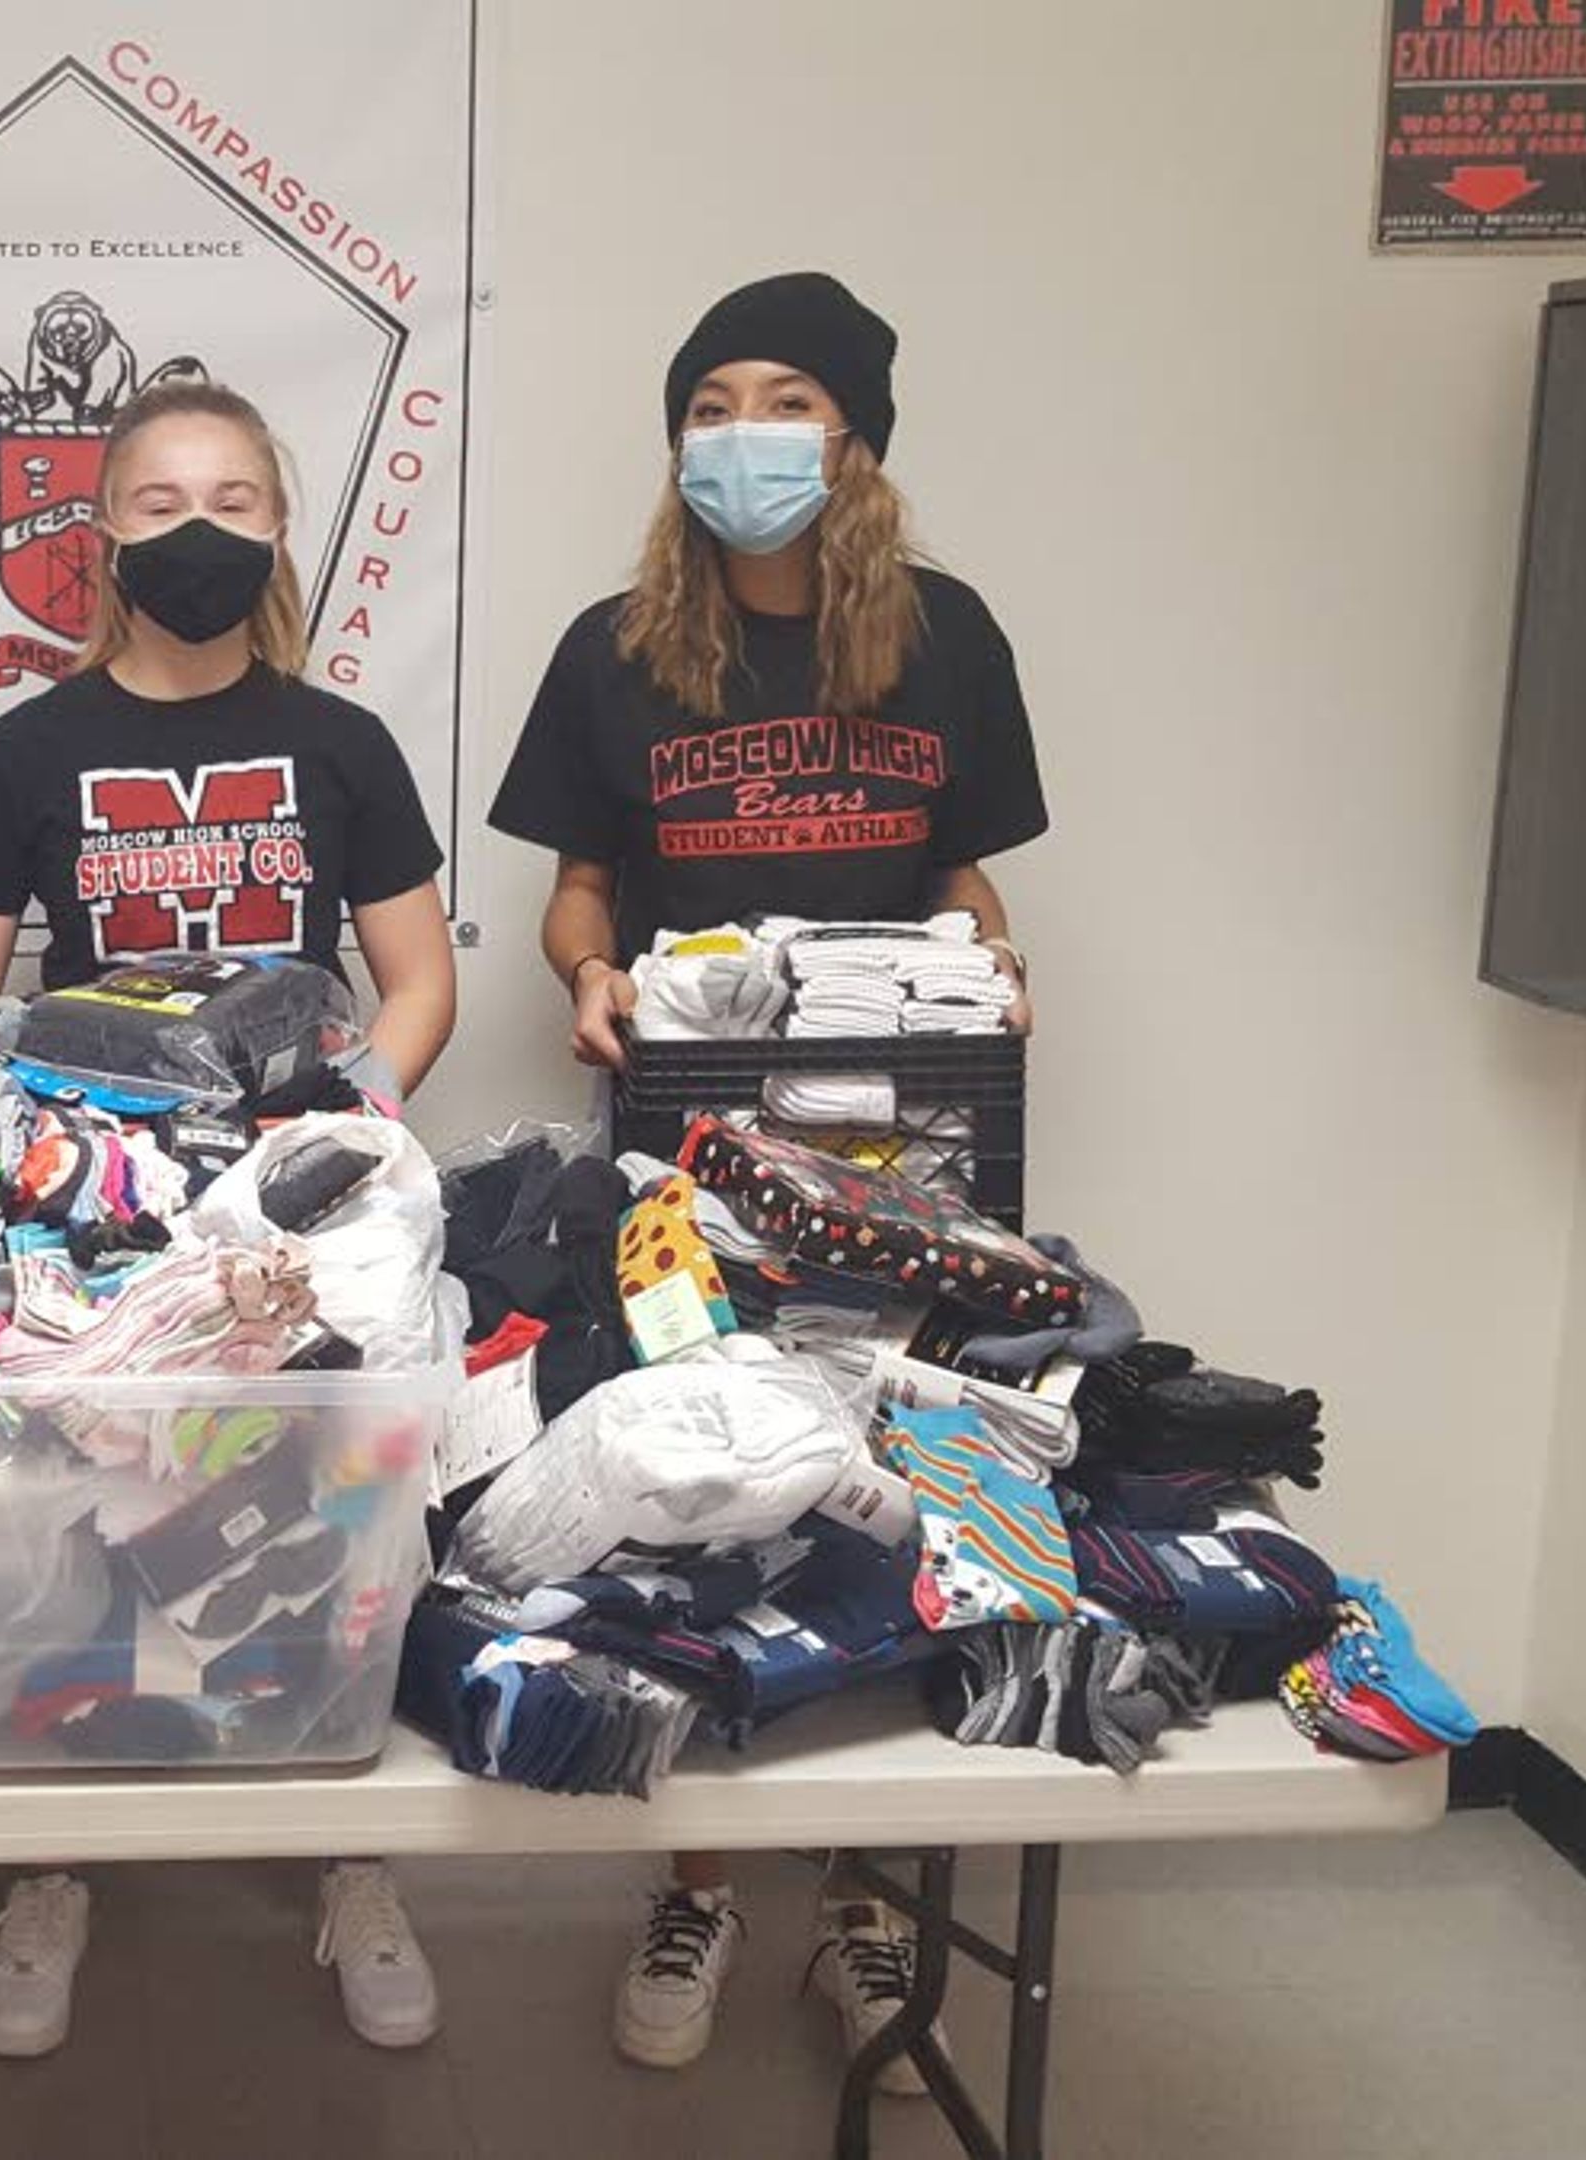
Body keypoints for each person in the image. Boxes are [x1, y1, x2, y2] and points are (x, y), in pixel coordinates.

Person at [485, 272, 1050, 2087]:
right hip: (696, 1141)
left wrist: (999, 955)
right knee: (708, 1496)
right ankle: (697, 1875)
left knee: (895, 1486)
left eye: (786, 398)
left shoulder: (947, 637)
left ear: (856, 434)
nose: (746, 433)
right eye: (713, 401)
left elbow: (966, 875)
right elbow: (582, 886)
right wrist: (587, 973)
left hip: (909, 1146)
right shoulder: (618, 648)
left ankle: (866, 1893)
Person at [0, 378, 459, 2057]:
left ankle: (349, 1855)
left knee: (333, 1528)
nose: (199, 532)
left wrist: (347, 1131)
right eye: (159, 504)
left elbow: (420, 976)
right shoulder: (27, 752)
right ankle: (56, 1862)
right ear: (102, 535)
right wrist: (54, 1147)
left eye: (233, 499)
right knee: (82, 1518)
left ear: (281, 527)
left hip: (298, 1210)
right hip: (101, 1203)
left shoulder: (342, 742)